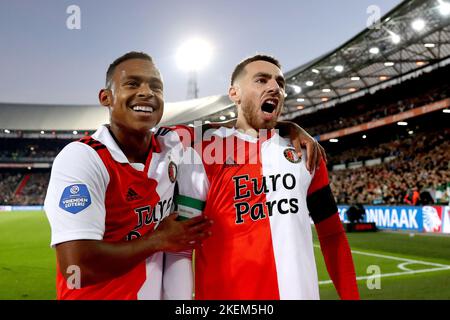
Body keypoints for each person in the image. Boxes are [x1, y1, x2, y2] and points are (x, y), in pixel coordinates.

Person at [44, 52, 324, 300]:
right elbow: (76, 268)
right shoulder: (82, 159)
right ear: (106, 97)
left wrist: (286, 126)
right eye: (132, 84)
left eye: (156, 87)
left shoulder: (172, 145)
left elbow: (235, 127)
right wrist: (157, 240)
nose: (146, 93)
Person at [175, 54, 359, 299]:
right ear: (234, 94)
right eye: (261, 80)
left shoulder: (307, 154)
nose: (274, 87)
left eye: (280, 83)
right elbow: (181, 249)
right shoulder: (201, 154)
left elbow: (332, 235)